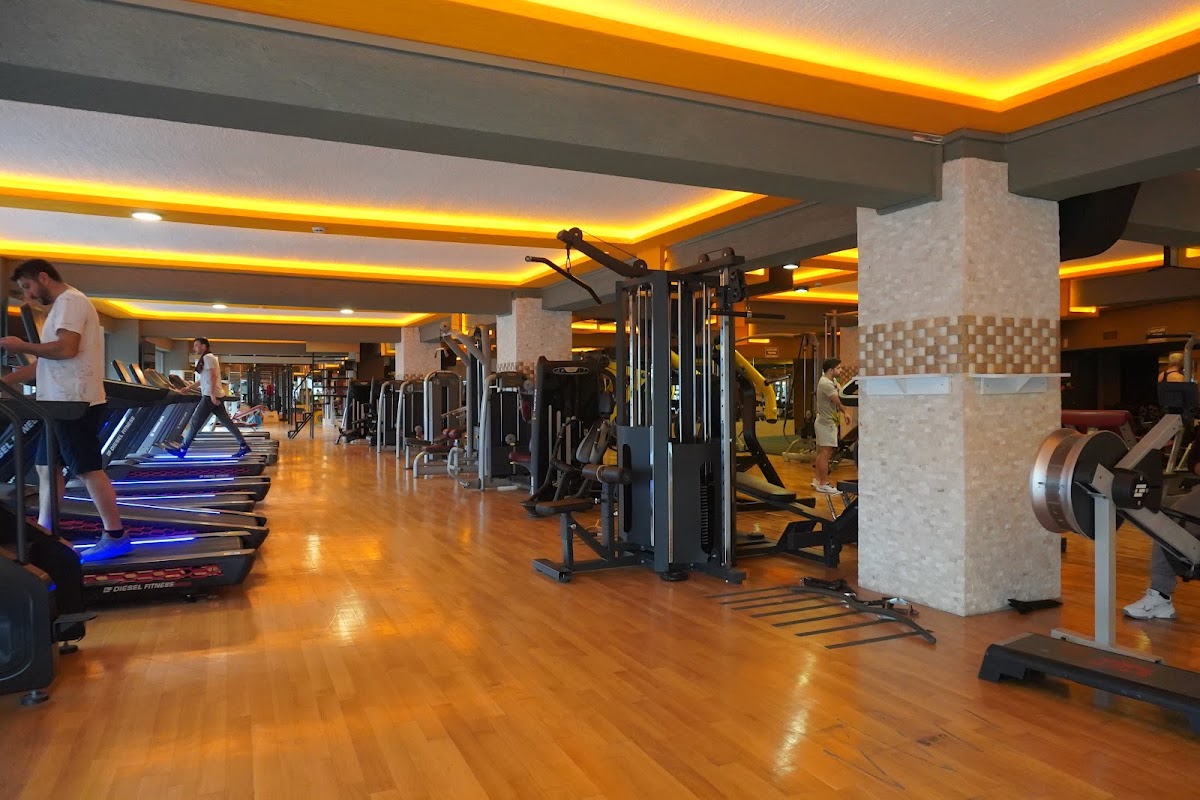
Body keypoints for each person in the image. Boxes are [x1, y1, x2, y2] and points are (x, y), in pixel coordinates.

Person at [0, 259, 129, 562]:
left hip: (73, 401)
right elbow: (46, 363)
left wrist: (21, 346)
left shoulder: (71, 301)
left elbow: (66, 349)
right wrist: (5, 381)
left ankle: (116, 536)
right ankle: (46, 534)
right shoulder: (60, 307)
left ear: (43, 278)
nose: (28, 295)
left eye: (28, 287)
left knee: (87, 469)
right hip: (57, 404)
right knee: (46, 467)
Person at [166, 337, 252, 458]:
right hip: (214, 395)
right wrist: (189, 388)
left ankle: (182, 449)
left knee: (195, 421)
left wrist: (211, 395)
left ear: (203, 346)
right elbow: (204, 379)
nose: (194, 348)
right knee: (227, 423)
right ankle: (243, 446)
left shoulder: (208, 358)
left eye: (196, 345)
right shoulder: (208, 358)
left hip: (209, 397)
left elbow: (212, 377)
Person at [812, 357, 850, 494]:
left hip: (826, 422)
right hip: (826, 423)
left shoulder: (830, 381)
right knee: (825, 453)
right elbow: (838, 401)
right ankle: (823, 483)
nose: (840, 370)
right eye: (838, 368)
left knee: (822, 452)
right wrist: (846, 412)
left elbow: (838, 389)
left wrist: (838, 387)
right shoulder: (826, 384)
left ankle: (817, 480)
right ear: (830, 370)